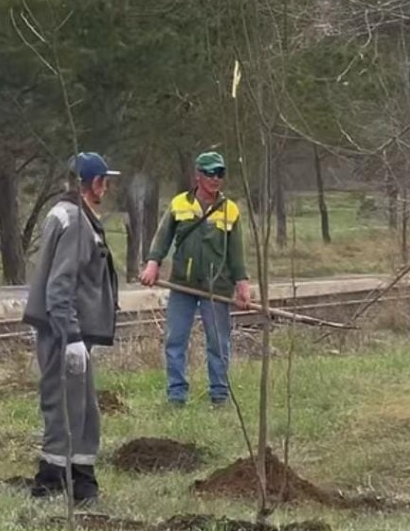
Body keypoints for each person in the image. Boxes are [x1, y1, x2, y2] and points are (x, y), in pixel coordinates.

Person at [23, 152, 120, 505]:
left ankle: (82, 482)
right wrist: (73, 337)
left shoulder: (67, 215)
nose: (106, 188)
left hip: (67, 330)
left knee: (83, 411)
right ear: (94, 183)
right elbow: (60, 286)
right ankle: (50, 485)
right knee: (64, 407)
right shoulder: (77, 222)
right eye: (104, 181)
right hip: (63, 332)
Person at [139, 150, 251, 407]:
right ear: (197, 176)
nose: (215, 179)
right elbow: (162, 238)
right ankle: (176, 396)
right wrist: (153, 264)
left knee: (218, 343)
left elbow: (236, 254)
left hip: (216, 287)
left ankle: (219, 396)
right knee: (175, 340)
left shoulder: (230, 210)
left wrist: (242, 284)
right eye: (210, 173)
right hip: (182, 284)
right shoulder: (179, 204)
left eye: (220, 173)